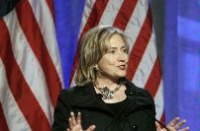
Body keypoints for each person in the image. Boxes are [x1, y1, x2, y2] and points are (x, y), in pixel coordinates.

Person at [52, 26, 189, 131]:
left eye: (124, 50)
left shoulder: (142, 99)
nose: (123, 58)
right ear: (94, 59)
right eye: (112, 52)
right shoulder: (72, 100)